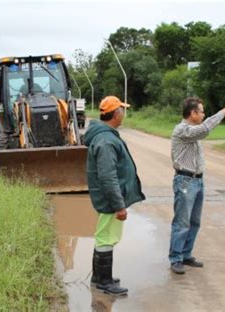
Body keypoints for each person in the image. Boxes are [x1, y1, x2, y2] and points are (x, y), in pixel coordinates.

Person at [169, 97, 225, 274]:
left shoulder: (193, 130)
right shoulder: (183, 130)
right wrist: (224, 111)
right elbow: (205, 129)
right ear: (193, 113)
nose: (203, 114)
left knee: (194, 221)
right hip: (185, 181)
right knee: (182, 222)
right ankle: (176, 258)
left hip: (197, 180)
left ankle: (186, 254)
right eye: (201, 111)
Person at [84, 95, 145, 295]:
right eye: (122, 110)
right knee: (106, 238)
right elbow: (108, 177)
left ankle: (98, 277)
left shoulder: (105, 136)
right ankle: (105, 281)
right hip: (109, 201)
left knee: (104, 236)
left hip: (108, 199)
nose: (124, 114)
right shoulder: (105, 140)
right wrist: (119, 205)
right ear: (116, 114)